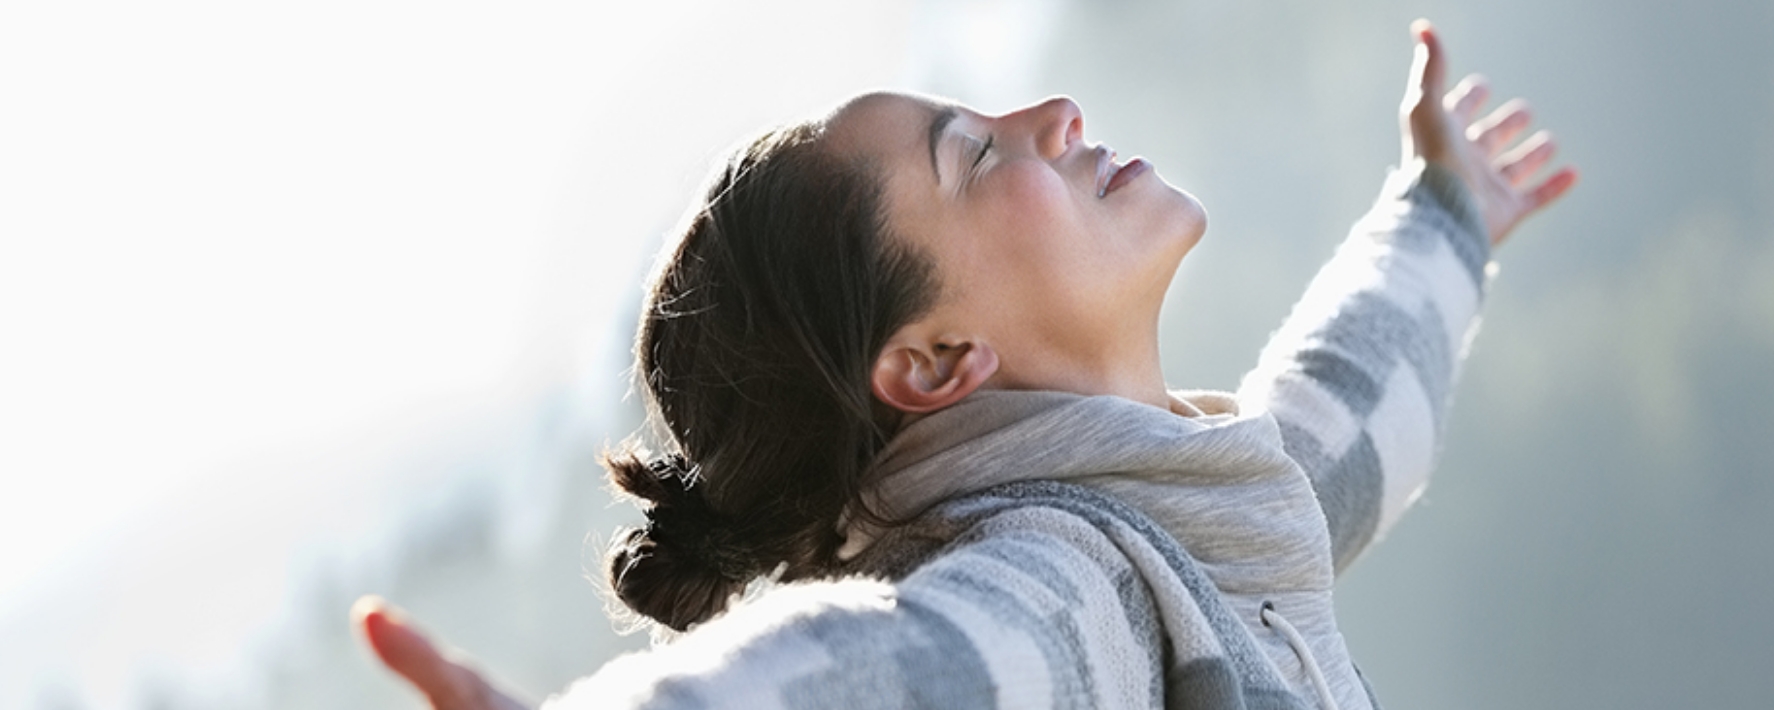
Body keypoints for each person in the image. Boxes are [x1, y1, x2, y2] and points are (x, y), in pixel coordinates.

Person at [353, 19, 1575, 709]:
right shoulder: (1065, 579)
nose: (1048, 113)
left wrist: (1442, 217)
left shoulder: (1188, 528)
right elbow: (905, 675)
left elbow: (1343, 431)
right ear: (937, 360)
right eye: (975, 158)